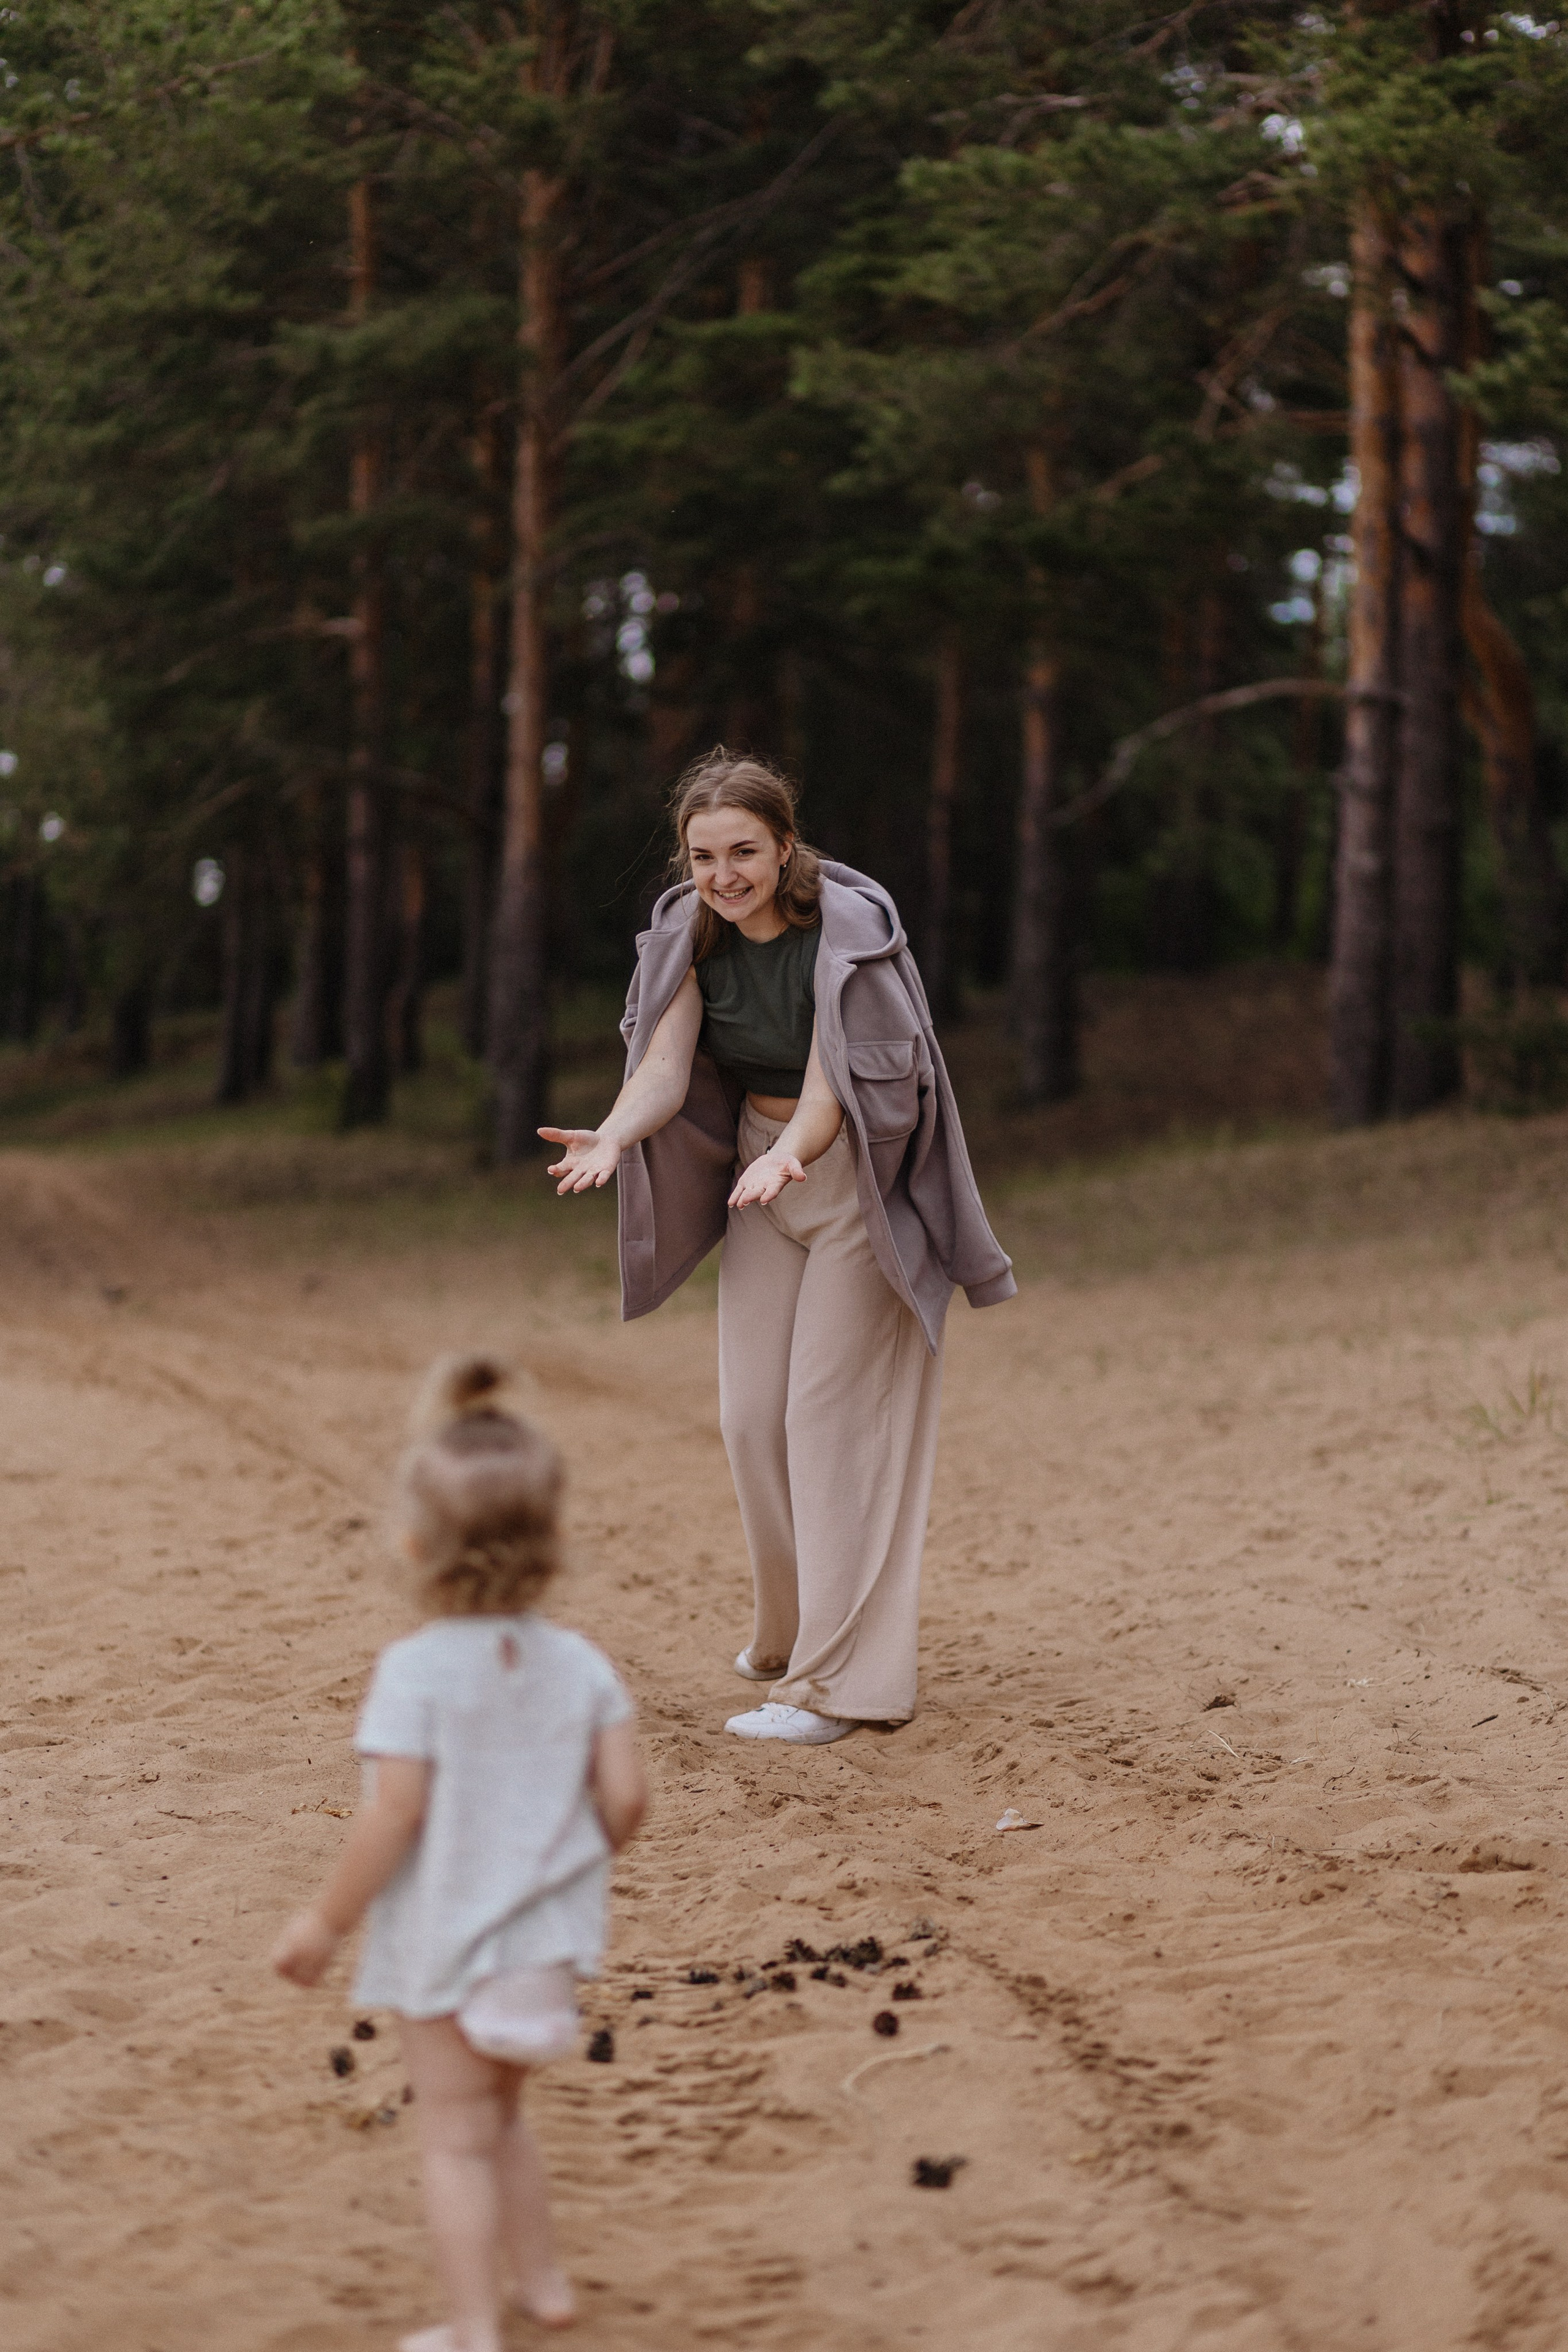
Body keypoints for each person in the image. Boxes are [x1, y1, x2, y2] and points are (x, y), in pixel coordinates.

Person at [540, 747, 1015, 1747]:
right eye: (704, 855)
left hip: (851, 1185)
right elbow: (664, 1064)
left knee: (830, 1424)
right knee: (753, 1419)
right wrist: (615, 1135)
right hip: (761, 1175)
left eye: (745, 852)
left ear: (786, 845)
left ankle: (839, 1689)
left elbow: (836, 1091)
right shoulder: (690, 935)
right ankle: (794, 1634)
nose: (725, 874)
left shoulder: (846, 937)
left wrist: (792, 1155)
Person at [271, 1355, 647, 2352]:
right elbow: (627, 1799)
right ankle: (545, 2285)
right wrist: (568, 1860)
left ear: (413, 1545)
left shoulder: (414, 1671)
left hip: (445, 1949)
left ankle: (476, 2328)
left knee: (454, 2142)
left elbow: (394, 1813)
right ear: (554, 1541)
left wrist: (324, 1923)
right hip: (544, 1950)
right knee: (504, 2121)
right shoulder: (584, 1664)